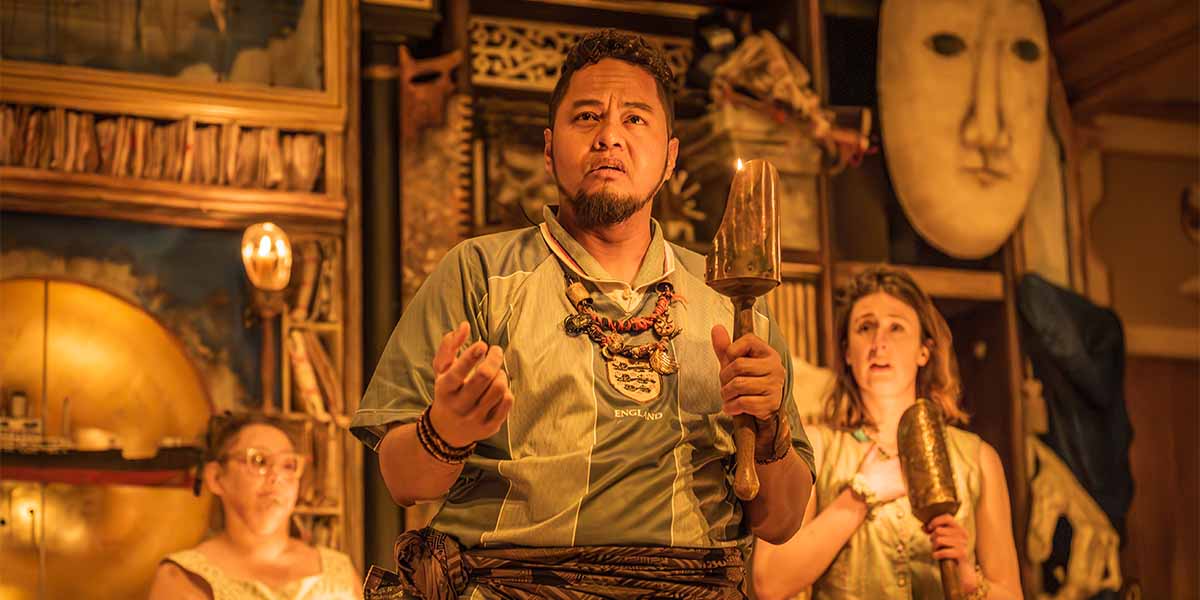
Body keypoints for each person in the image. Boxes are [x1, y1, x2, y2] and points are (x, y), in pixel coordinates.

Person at [351, 29, 814, 599]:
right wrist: (447, 428)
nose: (609, 137)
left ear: (670, 157)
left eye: (636, 120)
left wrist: (767, 431)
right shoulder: (479, 272)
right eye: (588, 117)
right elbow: (402, 480)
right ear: (549, 150)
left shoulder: (736, 304)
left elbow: (782, 521)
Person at [752, 266, 1022, 600]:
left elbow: (1009, 591)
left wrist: (970, 582)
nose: (879, 343)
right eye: (865, 327)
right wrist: (857, 498)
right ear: (848, 351)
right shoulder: (816, 447)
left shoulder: (977, 459)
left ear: (924, 350)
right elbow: (769, 581)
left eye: (896, 327)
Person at [149, 414, 361, 600]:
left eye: (288, 465)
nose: (276, 476)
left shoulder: (337, 571)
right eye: (259, 461)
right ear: (216, 477)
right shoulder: (186, 576)